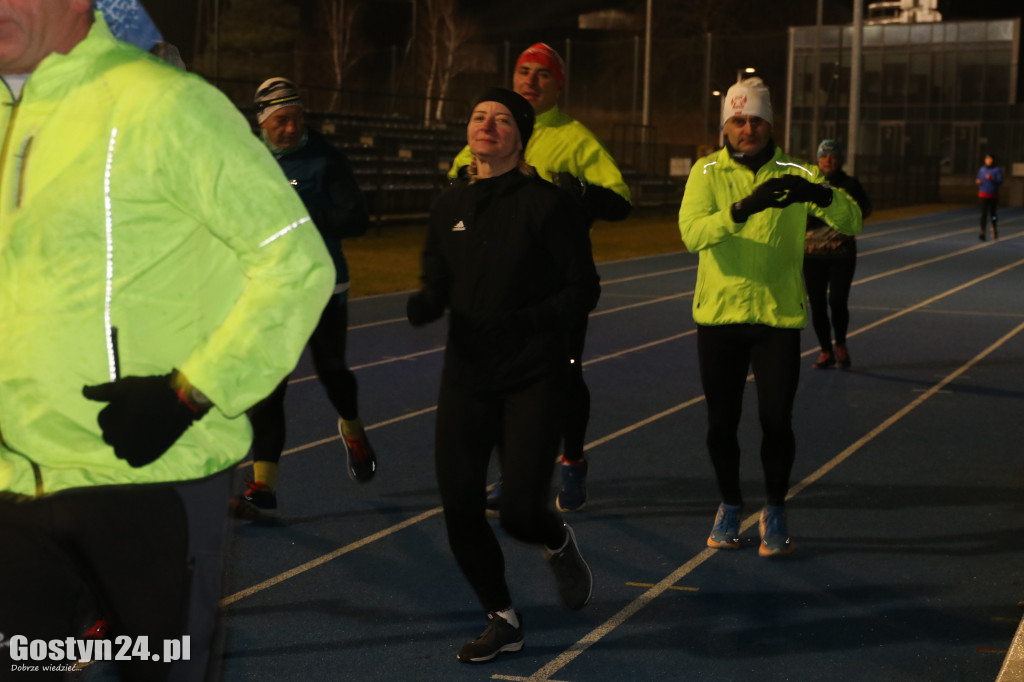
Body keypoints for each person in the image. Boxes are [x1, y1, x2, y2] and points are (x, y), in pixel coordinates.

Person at [0, 4, 335, 681]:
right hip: (16, 482)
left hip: (149, 476)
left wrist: (188, 394)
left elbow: (297, 264)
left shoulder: (168, 106)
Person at [408, 88, 600, 663]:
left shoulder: (547, 204)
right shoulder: (449, 206)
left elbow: (583, 288)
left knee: (518, 511)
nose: (486, 125)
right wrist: (428, 300)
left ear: (520, 136)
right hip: (466, 377)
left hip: (533, 376)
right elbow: (440, 277)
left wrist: (527, 323)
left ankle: (556, 539)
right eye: (477, 116)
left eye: (500, 119)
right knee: (460, 506)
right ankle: (503, 618)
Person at [678, 78, 862, 557]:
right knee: (722, 424)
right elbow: (692, 234)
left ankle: (776, 508)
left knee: (776, 421)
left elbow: (853, 221)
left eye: (756, 119)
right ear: (726, 126)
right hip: (719, 318)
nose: (747, 129)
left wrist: (819, 196)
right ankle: (730, 504)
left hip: (776, 319)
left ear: (770, 124)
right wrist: (743, 208)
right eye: (738, 120)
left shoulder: (798, 170)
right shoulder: (705, 172)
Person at [449, 42, 632, 513]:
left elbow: (621, 202)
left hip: (557, 284)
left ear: (559, 84)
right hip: (499, 285)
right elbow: (453, 191)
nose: (530, 80)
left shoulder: (575, 138)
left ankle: (571, 460)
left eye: (542, 74)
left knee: (563, 379)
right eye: (523, 71)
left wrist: (581, 192)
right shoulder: (494, 128)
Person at [235, 77, 376, 516]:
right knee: (269, 388)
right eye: (281, 120)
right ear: (262, 122)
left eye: (296, 118)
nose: (291, 127)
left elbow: (357, 220)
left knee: (332, 373)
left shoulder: (327, 159)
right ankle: (263, 486)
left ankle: (351, 427)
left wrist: (305, 214)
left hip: (322, 287)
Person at [803, 139, 872, 370]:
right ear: (818, 159)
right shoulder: (809, 183)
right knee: (818, 305)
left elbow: (866, 209)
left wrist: (850, 218)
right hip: (812, 255)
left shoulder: (850, 184)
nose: (828, 160)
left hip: (842, 255)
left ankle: (840, 343)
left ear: (839, 159)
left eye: (832, 156)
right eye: (824, 156)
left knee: (838, 301)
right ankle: (825, 351)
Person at [976, 153, 1003, 241]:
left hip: (993, 195)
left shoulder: (996, 170)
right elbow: (978, 178)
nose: (988, 161)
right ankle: (982, 232)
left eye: (990, 159)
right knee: (983, 214)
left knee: (993, 214)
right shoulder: (982, 169)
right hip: (983, 194)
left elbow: (1000, 181)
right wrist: (978, 181)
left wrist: (992, 178)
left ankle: (994, 228)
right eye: (987, 159)